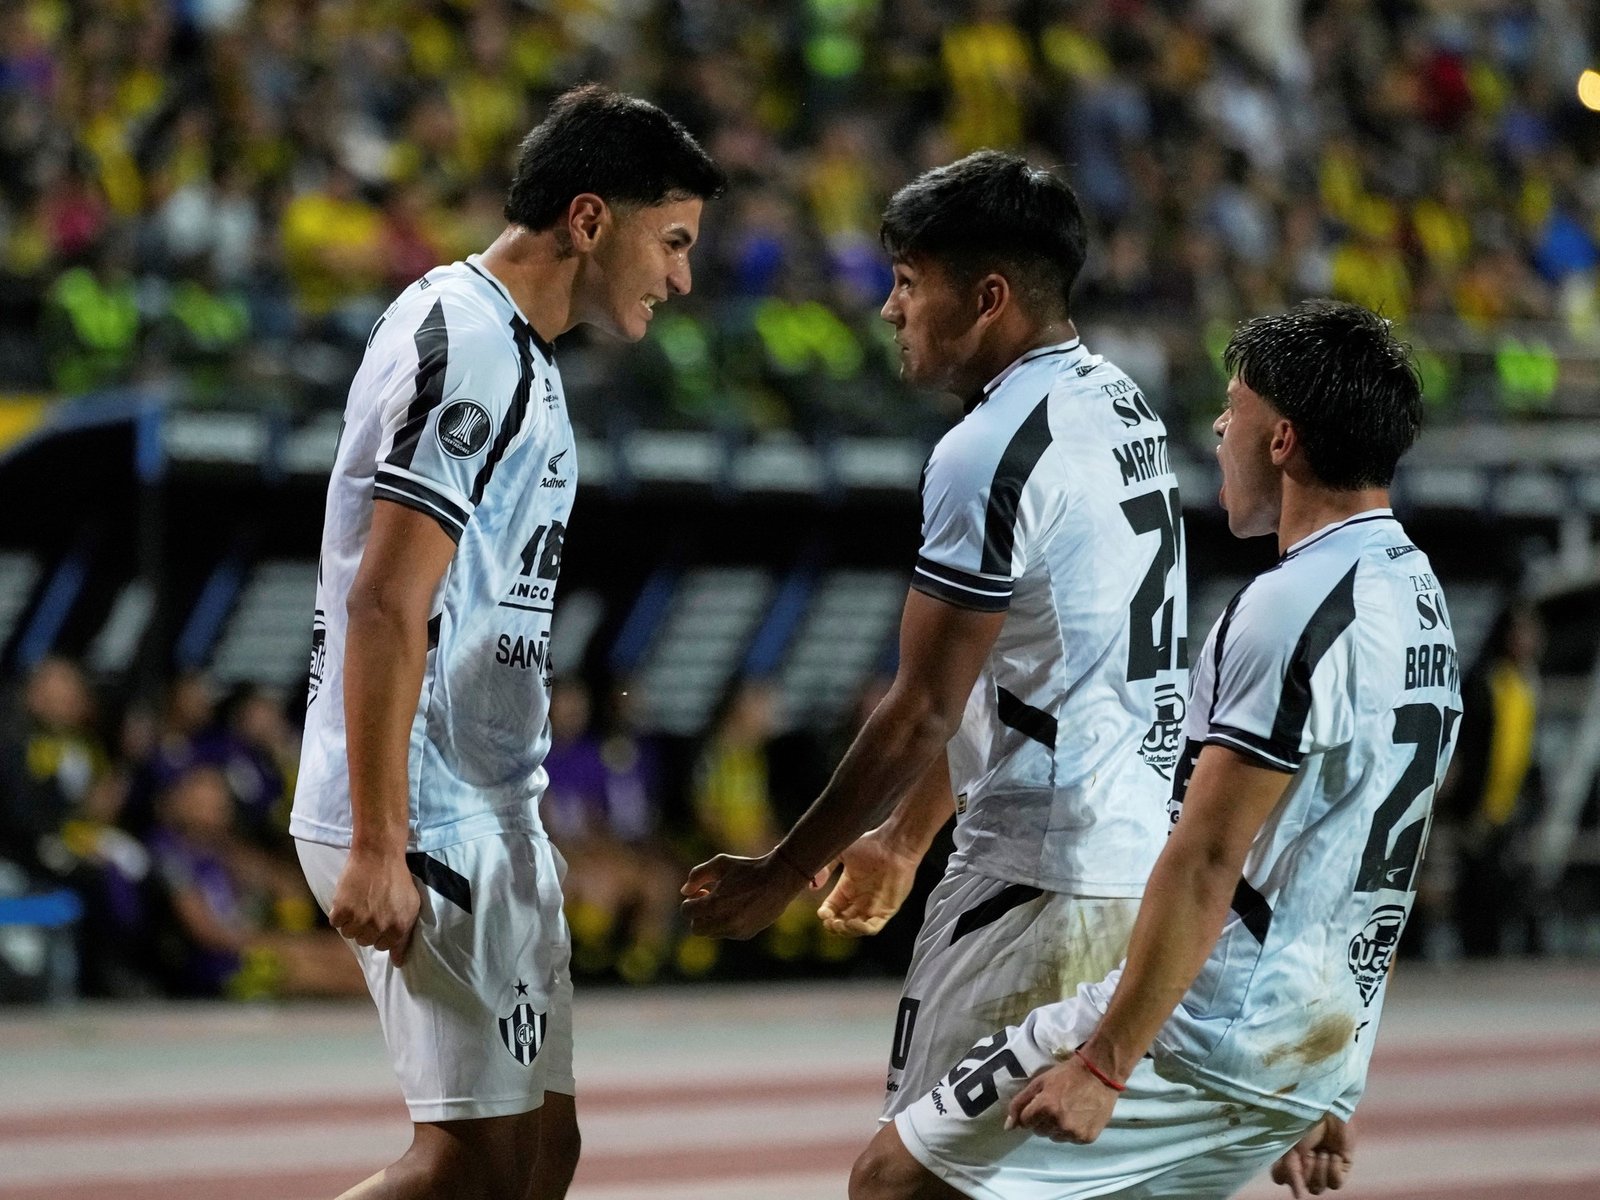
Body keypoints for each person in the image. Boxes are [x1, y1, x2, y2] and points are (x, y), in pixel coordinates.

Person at [850, 300, 1457, 1200]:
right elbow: (1374, 868)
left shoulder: (1288, 611)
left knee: (893, 1180)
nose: (1218, 427)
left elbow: (1211, 855)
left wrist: (1104, 1064)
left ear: (1282, 439)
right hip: (1300, 1047)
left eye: (1234, 406)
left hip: (1207, 1034)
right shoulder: (1421, 606)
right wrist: (1330, 1075)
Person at [682, 150, 1189, 1123]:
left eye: (909, 283)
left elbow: (921, 709)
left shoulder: (986, 451)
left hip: (1031, 885)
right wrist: (904, 836)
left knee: (900, 1184)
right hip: (1125, 870)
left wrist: (787, 868)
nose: (888, 309)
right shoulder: (1121, 407)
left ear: (988, 297)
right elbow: (1036, 671)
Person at [288, 85, 723, 1200]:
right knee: (471, 1165)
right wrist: (382, 842)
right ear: (588, 220)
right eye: (669, 242)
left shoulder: (518, 353)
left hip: (488, 807)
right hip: (421, 810)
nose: (680, 277)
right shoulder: (468, 343)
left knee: (541, 1158)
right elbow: (387, 601)